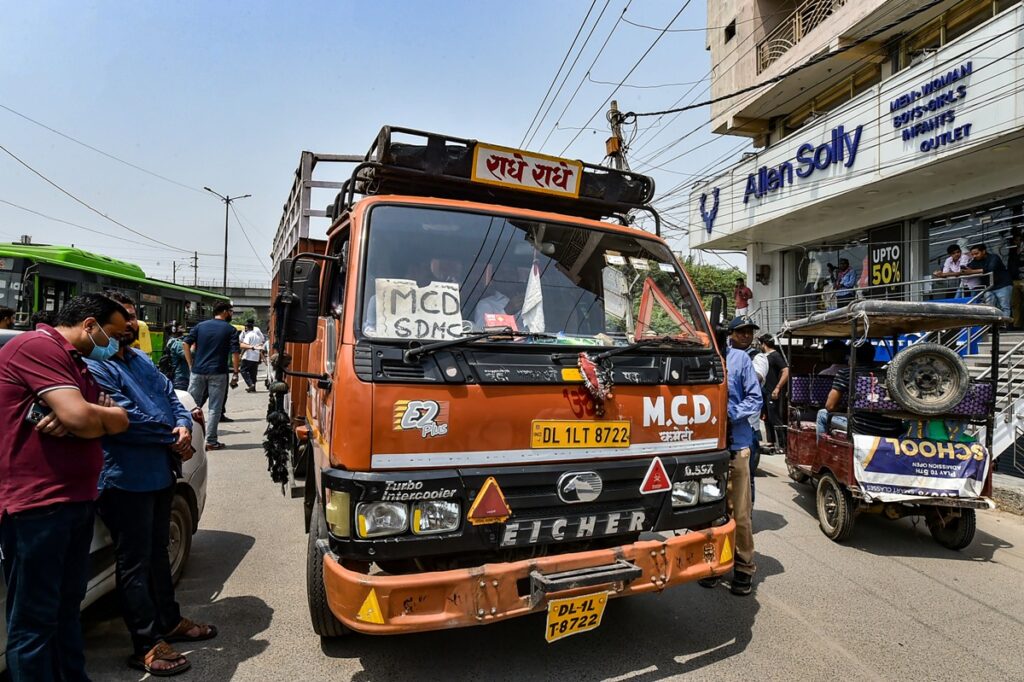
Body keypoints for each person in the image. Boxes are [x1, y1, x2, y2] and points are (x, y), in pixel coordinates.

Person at [0, 293, 130, 681]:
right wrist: (87, 417)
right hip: (38, 506)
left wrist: (97, 416)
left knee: (66, 609)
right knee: (35, 621)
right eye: (116, 335)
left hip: (75, 500)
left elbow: (120, 418)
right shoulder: (38, 347)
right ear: (89, 325)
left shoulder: (79, 364)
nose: (118, 345)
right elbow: (79, 416)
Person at [84, 294, 216, 677]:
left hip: (160, 471)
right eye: (123, 317)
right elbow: (123, 416)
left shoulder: (139, 360)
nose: (130, 323)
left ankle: (169, 621)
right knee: (134, 562)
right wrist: (170, 434)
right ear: (99, 325)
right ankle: (145, 642)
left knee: (158, 553)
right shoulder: (95, 367)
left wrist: (182, 426)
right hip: (126, 478)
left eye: (133, 317)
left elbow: (170, 396)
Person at [700, 316, 762, 596]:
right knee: (709, 511)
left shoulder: (741, 360)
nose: (747, 336)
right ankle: (712, 564)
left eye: (750, 332)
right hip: (706, 449)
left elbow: (755, 399)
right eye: (742, 331)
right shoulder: (702, 357)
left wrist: (729, 414)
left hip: (736, 446)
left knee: (740, 513)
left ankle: (744, 567)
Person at [816, 343, 904, 439]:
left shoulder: (846, 373)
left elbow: (830, 406)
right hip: (892, 429)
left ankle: (820, 449)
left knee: (822, 414)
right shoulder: (887, 374)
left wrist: (844, 408)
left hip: (860, 428)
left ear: (851, 357)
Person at [183, 301, 240, 450]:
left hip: (197, 371)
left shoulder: (200, 326)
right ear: (225, 311)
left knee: (190, 406)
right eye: (231, 311)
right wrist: (235, 373)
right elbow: (235, 353)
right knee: (215, 408)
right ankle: (211, 441)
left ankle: (186, 436)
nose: (231, 314)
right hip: (218, 373)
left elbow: (185, 343)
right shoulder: (230, 330)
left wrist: (190, 364)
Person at [962, 242, 1013, 320]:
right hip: (989, 287)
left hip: (1003, 285)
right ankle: (991, 326)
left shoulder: (994, 257)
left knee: (1004, 307)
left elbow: (990, 269)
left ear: (983, 251)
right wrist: (945, 274)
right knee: (989, 308)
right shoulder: (974, 261)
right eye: (973, 254)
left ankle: (1004, 325)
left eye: (976, 253)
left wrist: (972, 271)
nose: (974, 256)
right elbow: (967, 270)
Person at [759, 334, 790, 451]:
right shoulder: (764, 356)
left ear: (764, 344)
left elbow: (786, 371)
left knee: (775, 417)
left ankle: (783, 444)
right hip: (765, 391)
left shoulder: (775, 355)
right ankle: (771, 441)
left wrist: (777, 388)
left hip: (773, 391)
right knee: (766, 417)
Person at [473, 264, 526, 329]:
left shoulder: (527, 300)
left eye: (511, 273)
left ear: (517, 277)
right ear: (493, 278)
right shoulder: (485, 305)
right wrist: (507, 311)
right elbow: (482, 332)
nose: (507, 277)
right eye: (502, 273)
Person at [239, 319, 266, 392]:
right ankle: (253, 388)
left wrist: (241, 354)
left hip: (248, 356)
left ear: (247, 328)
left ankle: (250, 384)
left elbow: (245, 346)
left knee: (243, 370)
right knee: (253, 373)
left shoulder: (248, 335)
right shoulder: (257, 336)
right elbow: (261, 344)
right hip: (256, 357)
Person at [164, 321, 191, 391]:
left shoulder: (174, 341)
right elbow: (187, 356)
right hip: (181, 378)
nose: (181, 326)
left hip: (181, 378)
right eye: (178, 325)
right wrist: (194, 347)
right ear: (173, 329)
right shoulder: (176, 343)